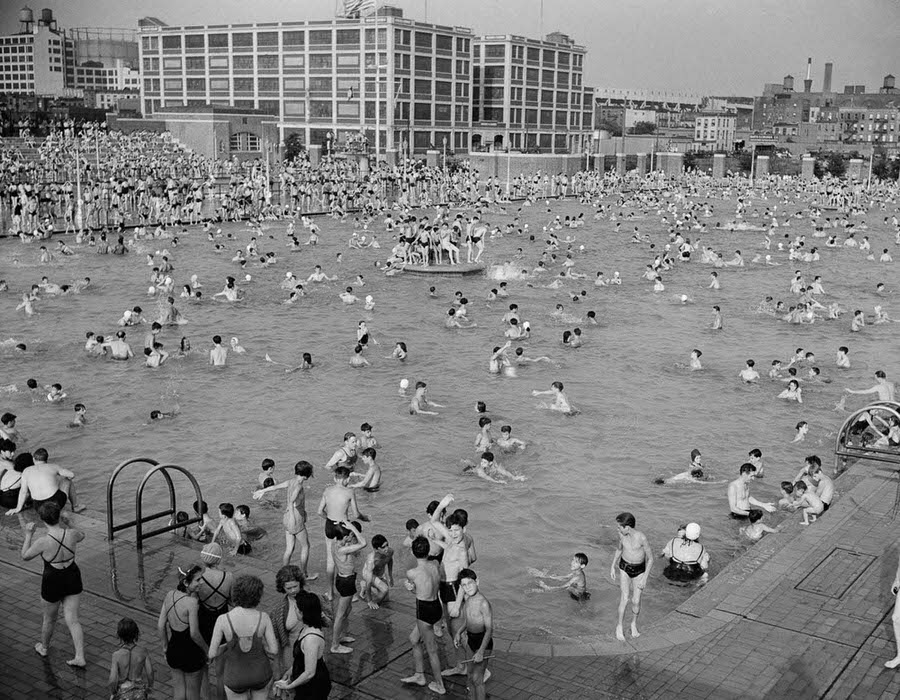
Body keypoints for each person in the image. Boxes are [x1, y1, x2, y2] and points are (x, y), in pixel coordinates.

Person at [21, 501, 86, 666]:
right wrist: (69, 522)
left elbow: (25, 556)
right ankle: (80, 656)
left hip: (53, 580)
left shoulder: (43, 542)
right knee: (73, 619)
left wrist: (28, 534)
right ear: (59, 516)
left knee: (49, 619)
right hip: (72, 576)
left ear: (43, 520)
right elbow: (82, 535)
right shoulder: (71, 534)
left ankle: (43, 648)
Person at [208, 574, 278, 700]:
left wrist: (227, 646)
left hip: (235, 675)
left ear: (235, 594)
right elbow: (274, 650)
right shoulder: (264, 617)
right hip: (260, 673)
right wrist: (260, 645)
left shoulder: (223, 619)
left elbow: (212, 653)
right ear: (258, 595)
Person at [400, 536, 446, 695]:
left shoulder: (412, 573)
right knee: (414, 639)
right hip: (436, 606)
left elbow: (416, 591)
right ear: (429, 551)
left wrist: (409, 588)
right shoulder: (435, 565)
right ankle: (419, 675)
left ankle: (440, 684)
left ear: (413, 552)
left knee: (432, 650)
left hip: (424, 610)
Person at [254, 460, 315, 574]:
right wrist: (294, 519)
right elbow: (293, 502)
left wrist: (262, 490)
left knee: (289, 549)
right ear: (306, 475)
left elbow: (275, 487)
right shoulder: (299, 487)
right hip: (295, 519)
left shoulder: (291, 481)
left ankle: (284, 572)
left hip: (286, 517)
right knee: (306, 546)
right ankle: (304, 574)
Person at [158, 564, 208, 700]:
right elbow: (194, 634)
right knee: (193, 695)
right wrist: (207, 650)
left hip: (173, 650)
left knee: (179, 693)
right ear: (186, 582)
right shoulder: (192, 603)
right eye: (198, 580)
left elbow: (161, 625)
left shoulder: (169, 595)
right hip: (191, 653)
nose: (201, 582)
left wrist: (165, 648)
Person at [274, 593, 332, 699]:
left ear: (302, 613)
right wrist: (290, 671)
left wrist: (289, 686)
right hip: (305, 684)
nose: (294, 610)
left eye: (296, 608)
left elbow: (309, 673)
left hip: (313, 688)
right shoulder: (305, 628)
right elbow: (302, 660)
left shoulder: (311, 638)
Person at [196, 543, 233, 700]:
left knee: (203, 669)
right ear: (218, 559)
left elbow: (195, 601)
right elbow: (232, 601)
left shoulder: (199, 580)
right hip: (222, 621)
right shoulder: (228, 577)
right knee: (221, 673)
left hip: (203, 621)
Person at [450, 569, 493, 700]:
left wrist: (480, 652)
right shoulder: (468, 599)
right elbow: (468, 621)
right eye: (464, 585)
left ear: (477, 582)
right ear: (461, 587)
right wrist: (459, 632)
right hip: (470, 641)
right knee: (469, 675)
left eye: (470, 583)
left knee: (477, 679)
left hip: (483, 643)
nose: (468, 587)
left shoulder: (483, 603)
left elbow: (489, 630)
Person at [610, 512, 653, 641]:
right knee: (625, 598)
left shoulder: (641, 538)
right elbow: (619, 549)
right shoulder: (621, 536)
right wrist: (612, 565)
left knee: (636, 601)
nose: (618, 529)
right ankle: (619, 626)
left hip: (639, 570)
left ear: (627, 527)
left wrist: (645, 578)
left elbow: (650, 559)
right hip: (624, 567)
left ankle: (633, 624)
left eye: (619, 527)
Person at [329, 519, 367, 654]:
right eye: (350, 535)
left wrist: (343, 526)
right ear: (346, 536)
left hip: (343, 579)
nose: (352, 538)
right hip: (346, 582)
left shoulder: (334, 543)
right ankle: (334, 645)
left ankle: (340, 636)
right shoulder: (343, 549)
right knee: (340, 614)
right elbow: (364, 543)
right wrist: (352, 527)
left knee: (348, 608)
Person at [108, 618, 154, 700]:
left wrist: (113, 692)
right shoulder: (143, 652)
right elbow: (150, 672)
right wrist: (150, 687)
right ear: (136, 633)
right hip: (139, 691)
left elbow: (112, 679)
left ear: (119, 635)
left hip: (123, 692)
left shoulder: (116, 655)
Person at [360, 534, 394, 609]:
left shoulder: (390, 551)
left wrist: (390, 576)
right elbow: (369, 581)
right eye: (383, 547)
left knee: (386, 599)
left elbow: (389, 560)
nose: (387, 549)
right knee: (384, 589)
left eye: (387, 545)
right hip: (368, 574)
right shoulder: (371, 560)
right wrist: (370, 601)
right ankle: (374, 603)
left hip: (380, 573)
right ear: (376, 549)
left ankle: (364, 586)